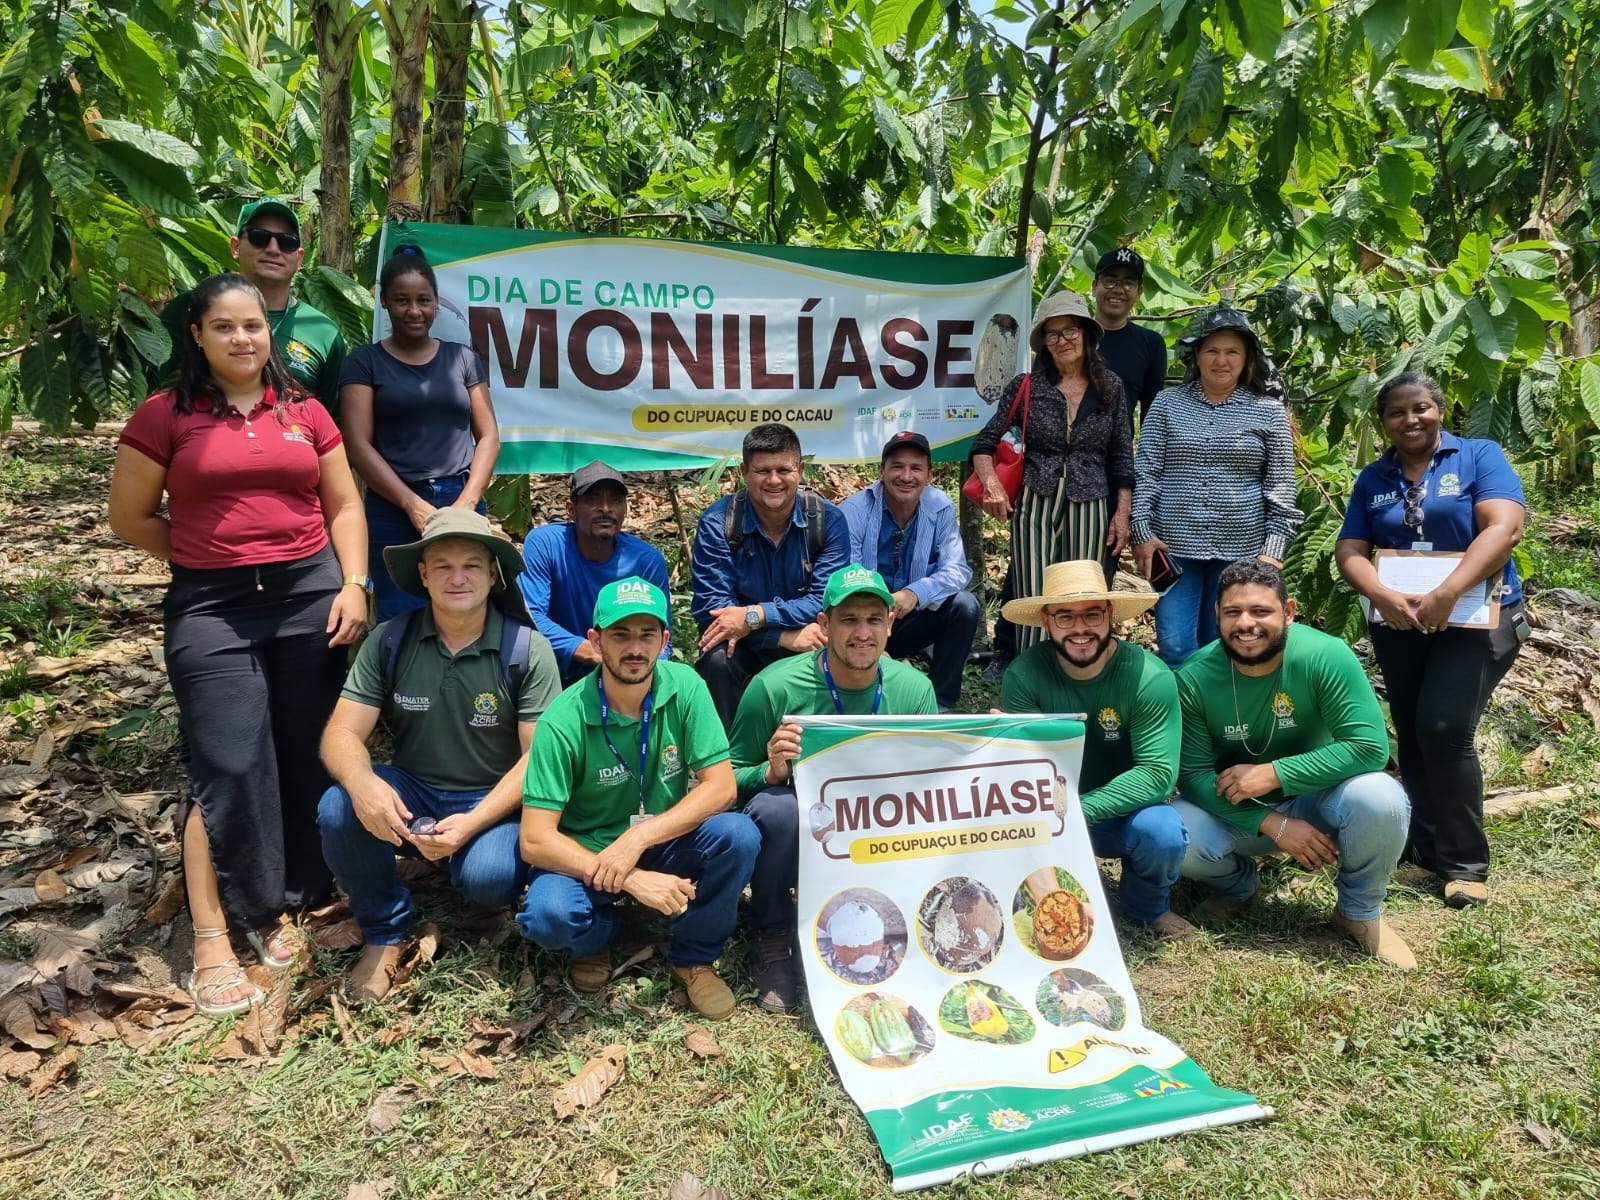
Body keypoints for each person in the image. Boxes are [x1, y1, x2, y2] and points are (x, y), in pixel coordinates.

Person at [109, 273, 368, 1016]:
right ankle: (215, 932)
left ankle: (281, 901)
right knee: (225, 760)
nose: (242, 339)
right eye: (224, 326)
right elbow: (130, 518)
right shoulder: (165, 415)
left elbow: (342, 502)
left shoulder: (305, 412)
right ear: (198, 335)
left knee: (298, 750)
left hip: (307, 598)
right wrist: (205, 551)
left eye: (253, 325)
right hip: (212, 606)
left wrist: (353, 584)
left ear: (269, 331)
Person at [318, 510, 562, 1001]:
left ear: (493, 576)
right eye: (443, 565)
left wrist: (472, 823)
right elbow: (340, 731)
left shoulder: (526, 649)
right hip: (416, 790)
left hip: (492, 799)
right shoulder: (390, 640)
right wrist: (364, 784)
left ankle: (481, 891)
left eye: (472, 565)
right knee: (338, 806)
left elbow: (539, 759)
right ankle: (385, 927)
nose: (458, 578)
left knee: (487, 878)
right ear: (423, 574)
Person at [517, 578, 759, 1021]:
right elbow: (534, 840)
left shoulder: (684, 685)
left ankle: (693, 955)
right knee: (548, 916)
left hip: (662, 837)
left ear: (665, 641)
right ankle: (598, 937)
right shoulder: (563, 719)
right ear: (595, 640)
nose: (635, 648)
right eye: (620, 634)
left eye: (647, 634)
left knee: (739, 834)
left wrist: (638, 840)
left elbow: (722, 787)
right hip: (588, 849)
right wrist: (627, 877)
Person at [1334, 372, 1526, 910]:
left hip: (1476, 616)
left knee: (1443, 727)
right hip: (1402, 621)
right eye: (1396, 413)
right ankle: (1425, 850)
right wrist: (1382, 595)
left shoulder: (1478, 456)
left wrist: (1449, 591)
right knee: (1413, 732)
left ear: (1439, 409)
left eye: (1420, 408)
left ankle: (1465, 864)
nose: (1410, 420)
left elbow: (1503, 527)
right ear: (1384, 423)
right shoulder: (1374, 477)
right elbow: (1350, 548)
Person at [1172, 560, 1415, 968]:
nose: (1246, 624)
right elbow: (1193, 776)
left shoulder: (1325, 655)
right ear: (1217, 615)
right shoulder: (1194, 677)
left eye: (1261, 611)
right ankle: (1238, 887)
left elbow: (1369, 747)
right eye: (1233, 612)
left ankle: (1357, 913)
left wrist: (1274, 773)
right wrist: (1274, 825)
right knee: (1175, 834)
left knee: (1381, 798)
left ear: (1288, 611)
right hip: (1243, 808)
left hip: (1323, 801)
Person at [729, 565, 937, 1013]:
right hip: (805, 835)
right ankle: (772, 930)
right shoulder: (774, 687)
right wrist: (769, 771)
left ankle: (889, 920)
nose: (862, 633)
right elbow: (727, 777)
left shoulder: (914, 691)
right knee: (774, 809)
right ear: (823, 625)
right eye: (848, 620)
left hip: (880, 834)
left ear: (890, 624)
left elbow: (930, 783)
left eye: (873, 619)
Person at [1000, 561, 1195, 940]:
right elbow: (1027, 765)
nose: (1080, 629)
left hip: (1121, 812)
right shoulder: (1024, 676)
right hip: (1047, 812)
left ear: (1110, 616)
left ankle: (1148, 908)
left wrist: (1079, 810)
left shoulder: (1149, 677)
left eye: (1092, 614)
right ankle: (1051, 901)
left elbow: (1156, 775)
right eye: (1065, 617)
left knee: (1163, 831)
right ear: (1045, 621)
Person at [1130, 305, 1302, 668]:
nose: (1221, 360)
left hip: (1243, 550)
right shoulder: (1167, 404)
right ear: (1196, 355)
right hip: (1174, 545)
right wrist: (1141, 532)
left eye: (1232, 352)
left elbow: (1282, 488)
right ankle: (1182, 722)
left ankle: (1220, 723)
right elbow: (1145, 473)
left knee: (1222, 647)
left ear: (1246, 359)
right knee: (1176, 645)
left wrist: (1272, 554)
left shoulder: (1267, 410)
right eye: (1212, 350)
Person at [339, 247, 501, 622]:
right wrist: (410, 504)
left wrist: (467, 501)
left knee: (469, 608)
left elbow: (489, 434)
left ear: (436, 302)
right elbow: (358, 444)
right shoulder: (364, 362)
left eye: (423, 300)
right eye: (402, 301)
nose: (414, 311)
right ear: (385, 302)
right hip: (392, 508)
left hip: (461, 497)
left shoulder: (462, 358)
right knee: (402, 618)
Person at [970, 291, 1133, 658]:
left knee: (1083, 595)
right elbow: (984, 444)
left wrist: (1121, 516)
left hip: (1090, 500)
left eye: (1070, 330)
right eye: (1053, 333)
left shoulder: (1111, 387)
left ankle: (1080, 673)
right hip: (1036, 500)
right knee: (1034, 594)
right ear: (1044, 342)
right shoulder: (1028, 386)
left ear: (1087, 334)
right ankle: (1032, 678)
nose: (1062, 340)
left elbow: (1123, 456)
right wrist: (993, 486)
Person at [690, 423, 851, 730]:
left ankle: (826, 751)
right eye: (763, 471)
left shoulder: (828, 521)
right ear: (744, 472)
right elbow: (714, 610)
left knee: (843, 646)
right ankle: (732, 761)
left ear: (800, 470)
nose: (774, 480)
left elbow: (826, 599)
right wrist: (783, 637)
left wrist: (755, 614)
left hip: (810, 635)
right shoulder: (718, 523)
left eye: (784, 470)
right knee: (717, 659)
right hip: (751, 643)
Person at [159, 198, 347, 412]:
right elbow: (158, 391)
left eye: (287, 242)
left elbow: (330, 418)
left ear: (299, 257)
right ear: (236, 246)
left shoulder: (324, 332)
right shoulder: (190, 309)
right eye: (260, 238)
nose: (273, 249)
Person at [839, 431, 980, 711]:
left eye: (916, 468)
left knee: (965, 606)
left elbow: (957, 570)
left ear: (930, 475)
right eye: (897, 466)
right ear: (881, 472)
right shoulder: (854, 510)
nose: (906, 476)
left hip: (910, 616)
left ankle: (941, 702)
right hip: (864, 620)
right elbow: (845, 576)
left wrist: (914, 593)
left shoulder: (940, 508)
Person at [517, 461, 670, 689]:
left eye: (616, 501)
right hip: (555, 668)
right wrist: (584, 648)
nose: (605, 508)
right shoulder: (546, 543)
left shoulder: (646, 561)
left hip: (624, 669)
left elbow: (662, 638)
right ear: (571, 510)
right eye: (593, 499)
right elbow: (529, 615)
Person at [1091, 247, 1168, 428]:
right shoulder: (1069, 336)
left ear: (1139, 292)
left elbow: (1151, 414)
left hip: (1117, 453)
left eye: (1128, 283)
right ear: (1094, 287)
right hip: (1060, 451)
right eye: (1110, 281)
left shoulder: (1151, 344)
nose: (1118, 290)